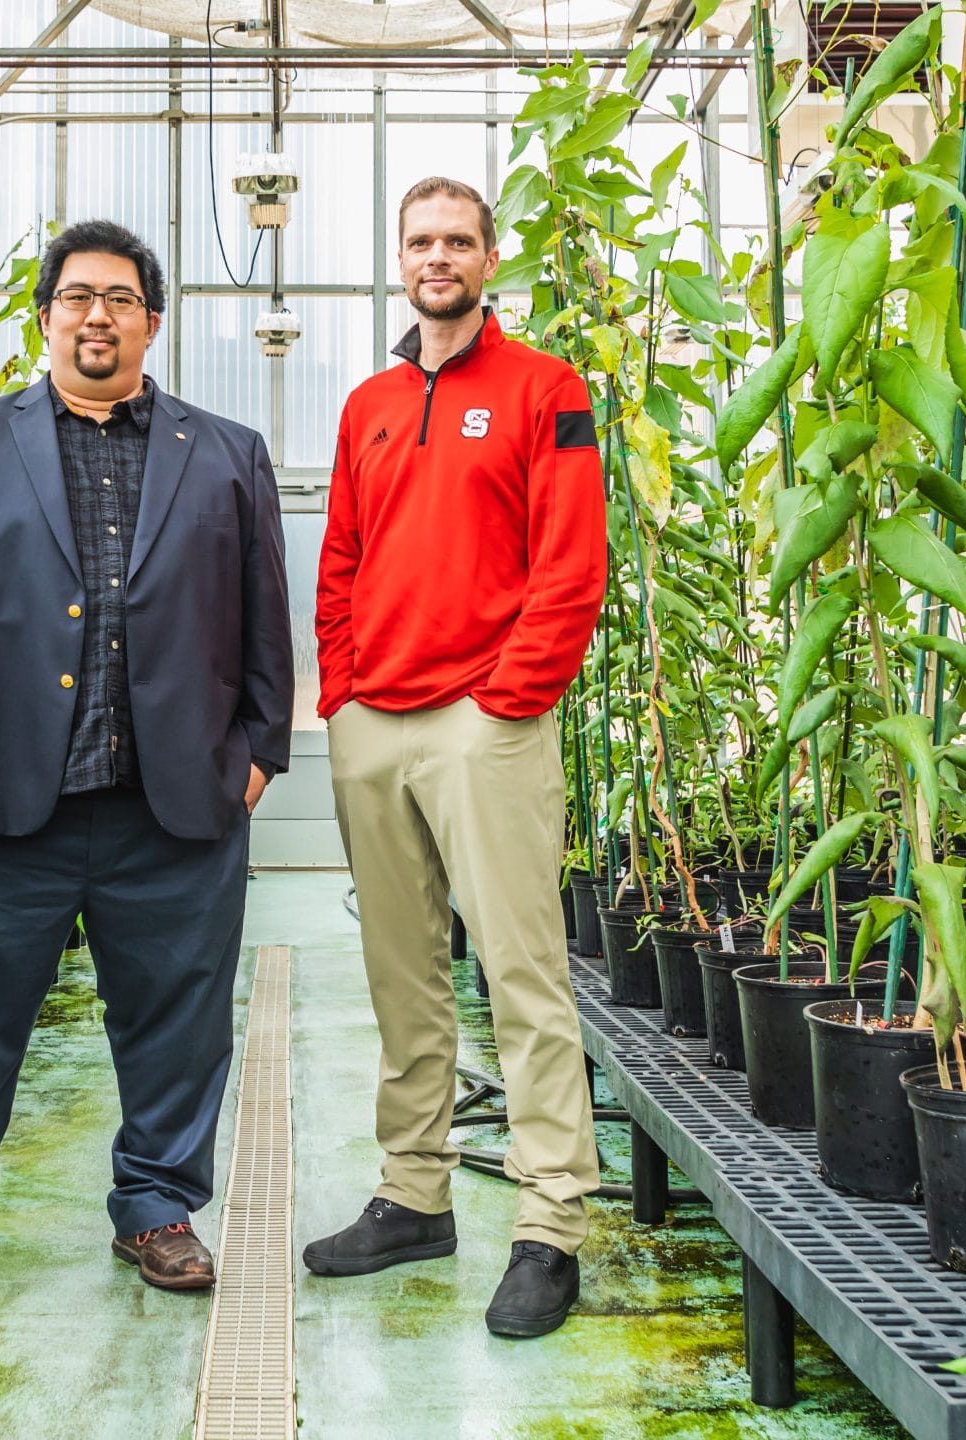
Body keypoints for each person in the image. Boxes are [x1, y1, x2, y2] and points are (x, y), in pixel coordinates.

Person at [0, 219, 294, 1313]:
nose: (95, 314)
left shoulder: (227, 452)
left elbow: (262, 617)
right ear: (45, 315)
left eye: (118, 297)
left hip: (173, 798)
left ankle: (157, 1208)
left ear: (152, 321)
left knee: (175, 1019)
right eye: (75, 296)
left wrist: (260, 748)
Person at [303, 177, 608, 1338]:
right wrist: (341, 692)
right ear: (401, 257)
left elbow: (571, 563)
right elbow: (340, 558)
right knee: (402, 977)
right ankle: (413, 1193)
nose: (439, 257)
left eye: (458, 241)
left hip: (486, 723)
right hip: (373, 720)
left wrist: (506, 696)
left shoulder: (544, 389)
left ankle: (549, 1227)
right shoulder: (369, 402)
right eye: (420, 240)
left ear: (489, 258)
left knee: (522, 977)